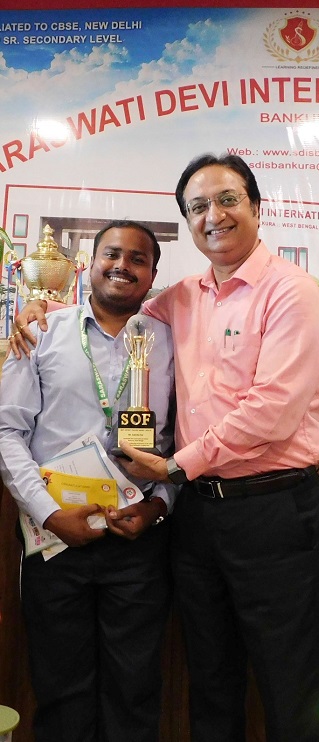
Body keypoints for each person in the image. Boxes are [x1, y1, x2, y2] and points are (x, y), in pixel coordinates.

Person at [11, 154, 319, 742]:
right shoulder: (181, 298)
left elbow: (273, 409)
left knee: (293, 682)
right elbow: (110, 307)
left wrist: (173, 471)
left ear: (256, 207)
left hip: (271, 511)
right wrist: (42, 309)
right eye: (198, 207)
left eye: (227, 200)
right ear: (188, 221)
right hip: (197, 520)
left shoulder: (292, 292)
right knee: (210, 677)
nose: (214, 215)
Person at [0, 220, 176, 742]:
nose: (123, 265)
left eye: (138, 259)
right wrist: (50, 513)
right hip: (55, 539)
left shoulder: (170, 342)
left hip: (138, 537)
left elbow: (182, 441)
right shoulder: (41, 331)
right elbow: (8, 431)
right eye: (112, 254)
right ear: (89, 265)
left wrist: (158, 506)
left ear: (153, 276)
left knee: (135, 690)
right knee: (62, 690)